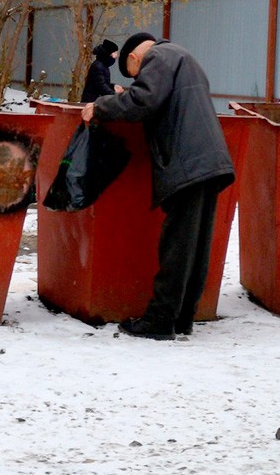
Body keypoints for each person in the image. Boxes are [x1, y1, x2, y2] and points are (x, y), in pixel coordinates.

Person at [81, 31, 235, 340]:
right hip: (209, 159)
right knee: (196, 244)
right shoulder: (183, 56)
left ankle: (160, 320)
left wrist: (100, 107)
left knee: (177, 245)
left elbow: (143, 100)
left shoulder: (159, 58)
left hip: (187, 161)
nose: (138, 79)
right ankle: (182, 318)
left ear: (135, 60)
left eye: (135, 75)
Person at [79, 39, 118, 104]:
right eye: (115, 53)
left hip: (95, 101)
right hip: (91, 102)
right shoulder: (98, 66)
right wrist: (115, 96)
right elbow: (101, 86)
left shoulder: (103, 65)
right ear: (109, 54)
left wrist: (113, 87)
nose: (116, 56)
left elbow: (102, 83)